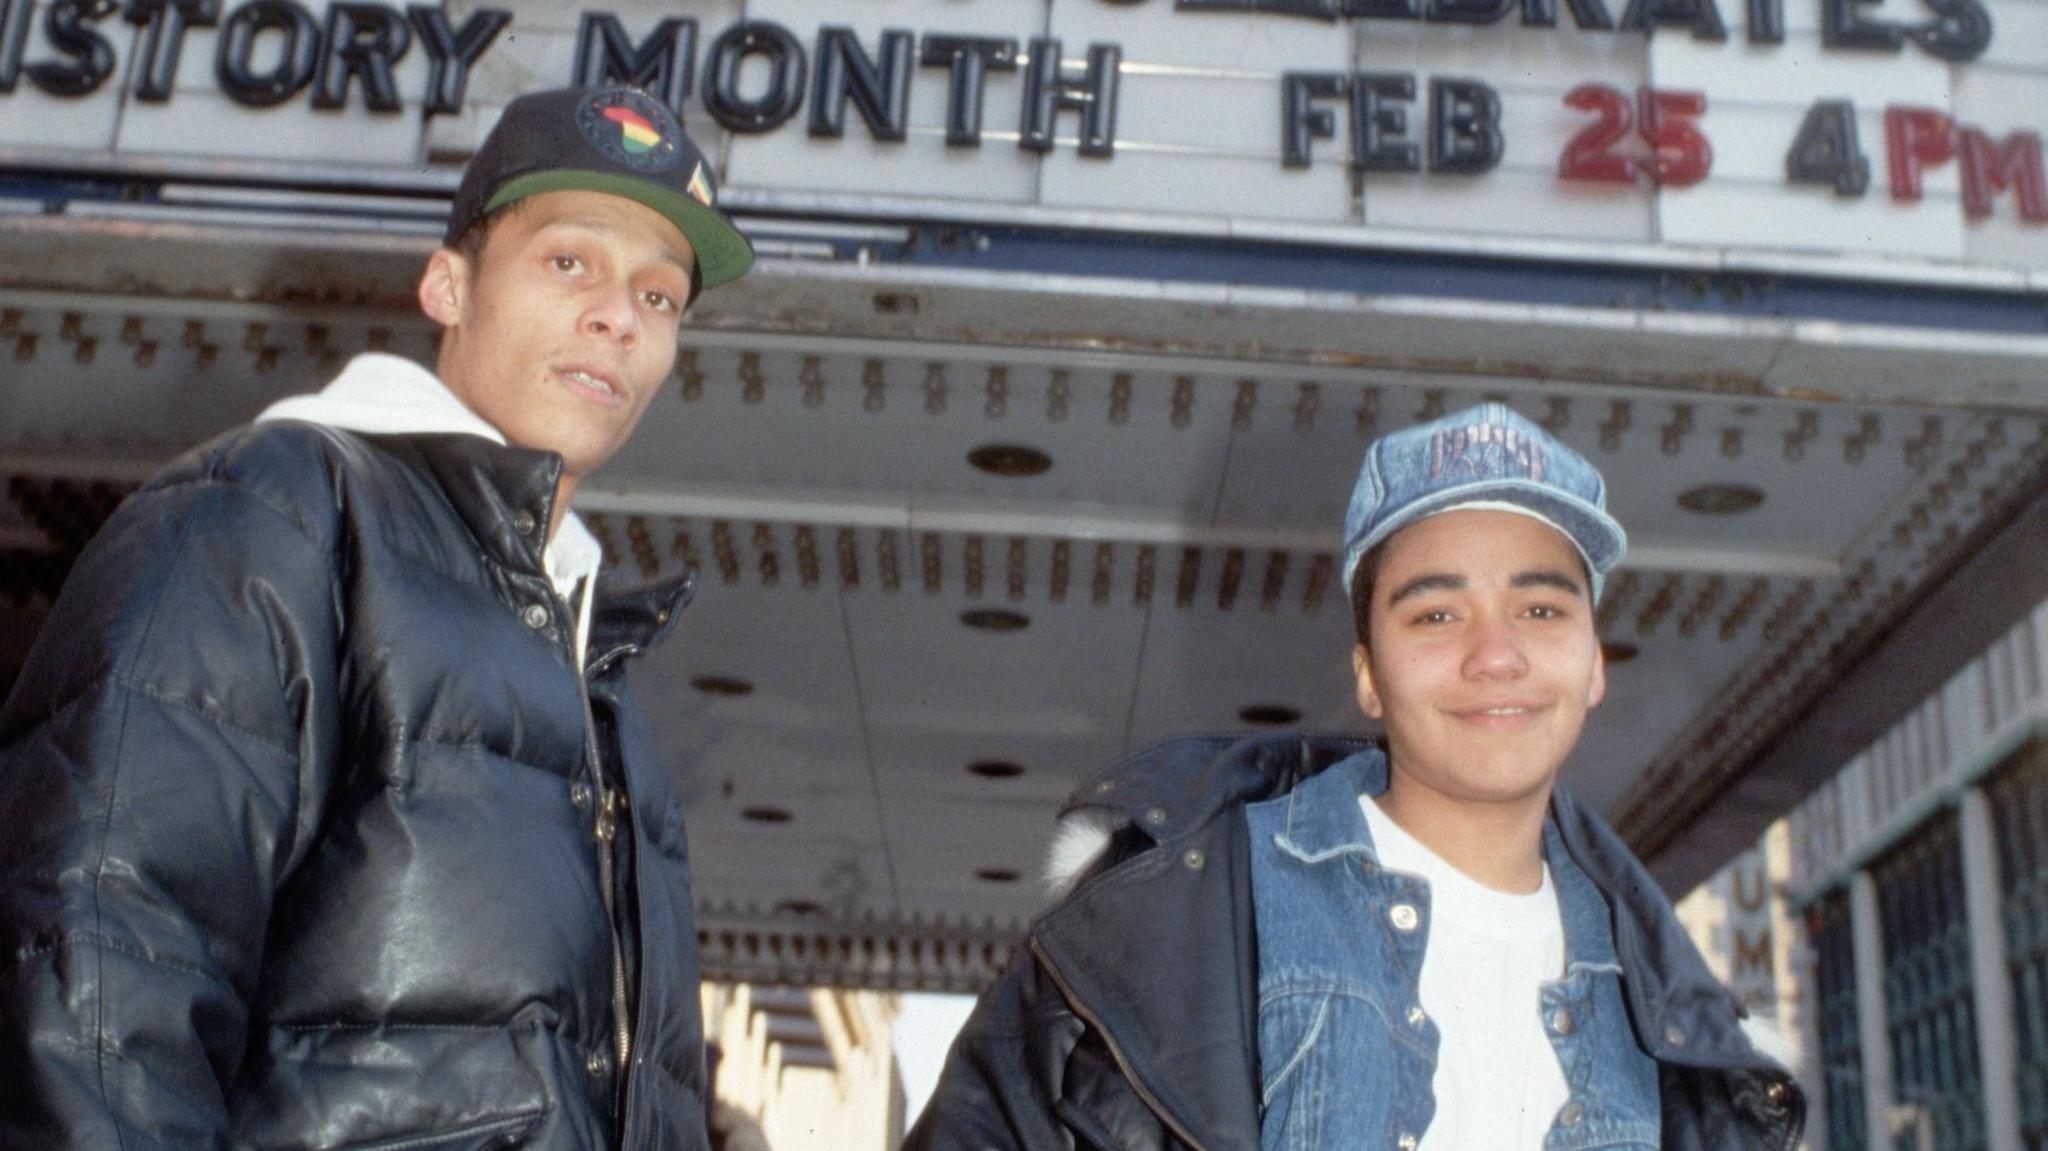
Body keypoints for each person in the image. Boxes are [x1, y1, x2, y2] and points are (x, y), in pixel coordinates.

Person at [0, 85, 752, 1150]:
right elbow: (102, 965)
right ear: (448, 284)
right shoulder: (278, 509)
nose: (617, 316)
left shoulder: (593, 662)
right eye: (569, 262)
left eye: (660, 295)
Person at [905, 403, 1806, 1150]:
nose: (1496, 654)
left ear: (1594, 660)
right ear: (1369, 674)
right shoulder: (1157, 925)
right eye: (1437, 612)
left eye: (1539, 607)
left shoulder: (1694, 1047)